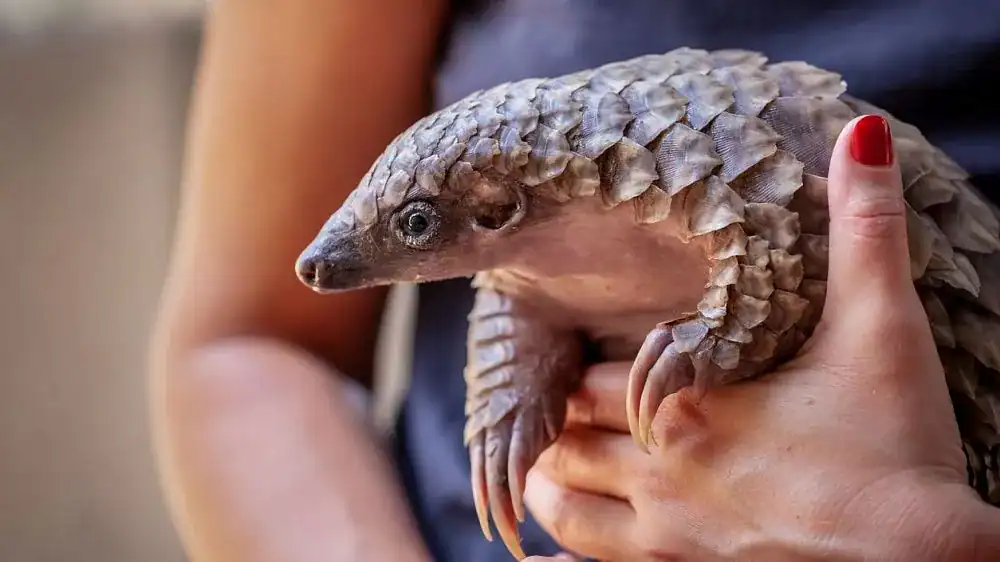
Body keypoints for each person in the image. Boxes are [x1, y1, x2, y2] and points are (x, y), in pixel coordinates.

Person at [147, 1, 1000, 561]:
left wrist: (937, 542)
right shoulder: (522, 248)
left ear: (497, 205)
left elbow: (769, 232)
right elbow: (256, 339)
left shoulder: (705, 180)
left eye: (416, 229)